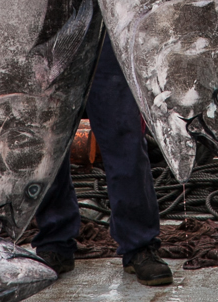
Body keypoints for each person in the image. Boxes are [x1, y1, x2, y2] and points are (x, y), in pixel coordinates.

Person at [33, 33, 173, 287]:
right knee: (47, 137)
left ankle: (139, 245)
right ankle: (54, 241)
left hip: (106, 24)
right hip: (50, 19)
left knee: (124, 133)